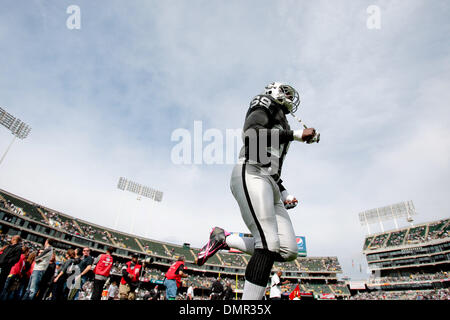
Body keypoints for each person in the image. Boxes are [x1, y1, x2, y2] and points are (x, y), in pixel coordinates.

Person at [196, 82, 317, 300]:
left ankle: (224, 239)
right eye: (286, 93)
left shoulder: (282, 118)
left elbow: (271, 161)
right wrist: (297, 135)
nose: (290, 98)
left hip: (269, 180)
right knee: (268, 244)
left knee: (288, 250)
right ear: (274, 90)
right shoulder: (265, 102)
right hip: (251, 171)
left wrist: (284, 192)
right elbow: (252, 134)